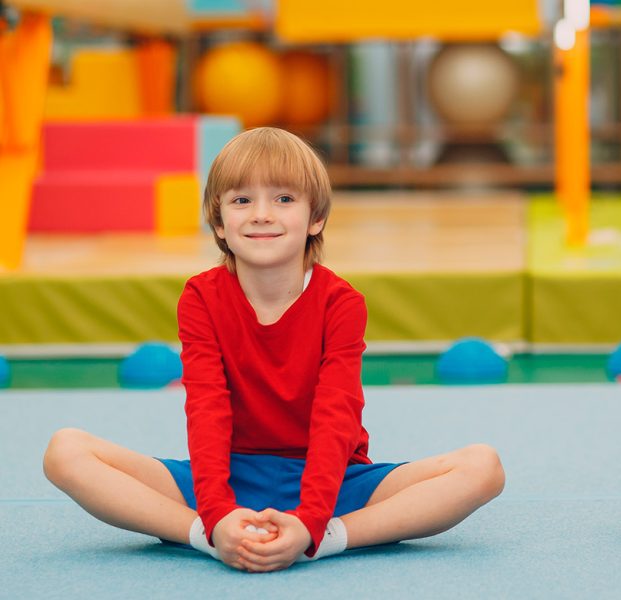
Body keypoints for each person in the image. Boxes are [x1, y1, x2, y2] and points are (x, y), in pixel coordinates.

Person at [43, 127, 505, 572]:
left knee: (483, 467)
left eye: (284, 199)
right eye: (242, 200)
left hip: (332, 481)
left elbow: (335, 416)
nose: (262, 214)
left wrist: (312, 523)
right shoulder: (201, 297)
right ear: (219, 222)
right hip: (227, 475)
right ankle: (204, 537)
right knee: (65, 451)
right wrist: (217, 515)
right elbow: (206, 409)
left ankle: (329, 541)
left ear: (315, 217)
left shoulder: (341, 303)